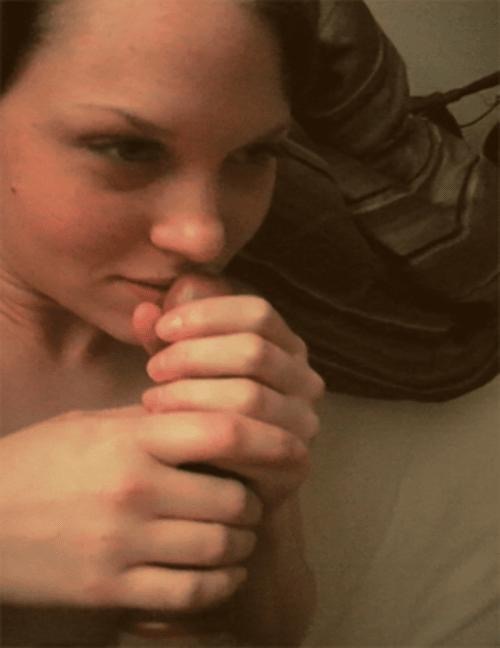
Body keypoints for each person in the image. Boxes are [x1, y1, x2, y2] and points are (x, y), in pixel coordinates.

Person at [0, 1, 324, 645]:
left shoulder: (216, 343)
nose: (205, 237)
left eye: (253, 153)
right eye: (129, 149)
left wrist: (264, 497)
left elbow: (275, 634)